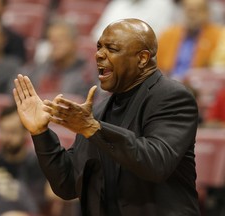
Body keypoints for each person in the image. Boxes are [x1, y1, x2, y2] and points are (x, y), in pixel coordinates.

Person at [13, 18, 200, 215]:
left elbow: (156, 162)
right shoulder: (100, 111)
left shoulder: (171, 96)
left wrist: (92, 128)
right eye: (99, 47)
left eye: (112, 48)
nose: (99, 55)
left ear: (143, 58)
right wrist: (41, 133)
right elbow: (67, 185)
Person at [24, 18, 97, 99]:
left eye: (60, 40)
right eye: (52, 40)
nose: (55, 45)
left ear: (74, 42)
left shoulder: (87, 73)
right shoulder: (41, 68)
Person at [157, 0, 223, 80]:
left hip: (199, 85)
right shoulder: (168, 34)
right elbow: (157, 65)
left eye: (198, 11)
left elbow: (217, 69)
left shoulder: (217, 35)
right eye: (189, 10)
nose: (192, 15)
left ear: (207, 13)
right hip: (169, 82)